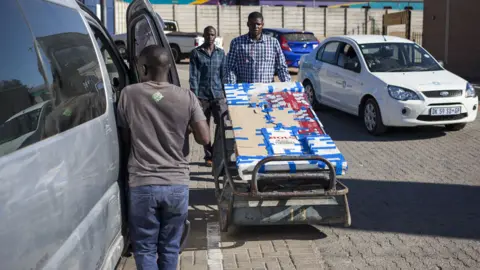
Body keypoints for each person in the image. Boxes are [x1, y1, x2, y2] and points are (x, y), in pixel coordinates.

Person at [116, 45, 210, 270]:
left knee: (145, 247)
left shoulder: (129, 94)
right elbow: (205, 138)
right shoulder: (187, 96)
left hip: (142, 184)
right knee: (170, 247)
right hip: (177, 185)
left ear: (144, 68)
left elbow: (125, 138)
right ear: (169, 67)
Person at [189, 26, 227, 167]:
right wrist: (195, 96)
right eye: (207, 34)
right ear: (204, 36)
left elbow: (223, 75)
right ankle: (208, 155)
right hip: (202, 96)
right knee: (203, 127)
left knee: (221, 125)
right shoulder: (196, 53)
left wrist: (225, 93)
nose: (210, 37)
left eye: (212, 35)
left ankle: (217, 151)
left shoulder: (221, 53)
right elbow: (194, 76)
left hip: (217, 95)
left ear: (215, 36)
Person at [224, 11, 291, 84]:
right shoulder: (237, 43)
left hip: (266, 91)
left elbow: (281, 67)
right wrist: (232, 88)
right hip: (244, 91)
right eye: (252, 24)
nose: (255, 27)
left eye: (258, 24)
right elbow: (230, 67)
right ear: (248, 24)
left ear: (262, 25)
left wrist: (288, 85)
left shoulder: (273, 43)